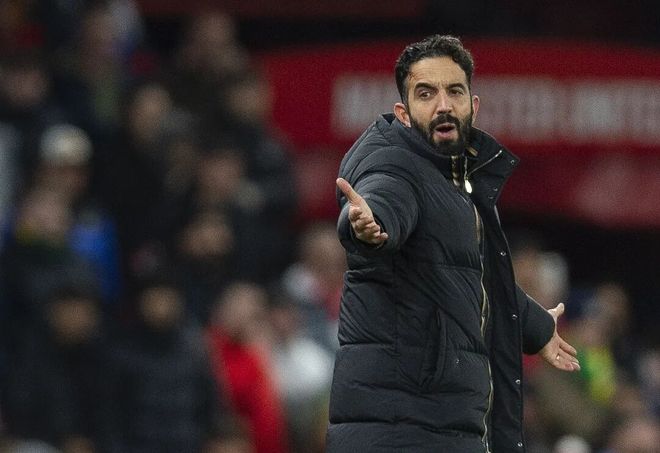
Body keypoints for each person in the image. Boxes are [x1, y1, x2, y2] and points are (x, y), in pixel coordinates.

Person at [327, 35, 580, 453]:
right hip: (399, 432)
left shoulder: (454, 184)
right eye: (426, 94)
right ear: (403, 114)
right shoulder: (395, 166)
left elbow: (464, 276)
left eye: (454, 91)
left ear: (473, 106)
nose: (443, 105)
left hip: (439, 428)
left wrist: (535, 325)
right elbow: (382, 203)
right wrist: (369, 227)